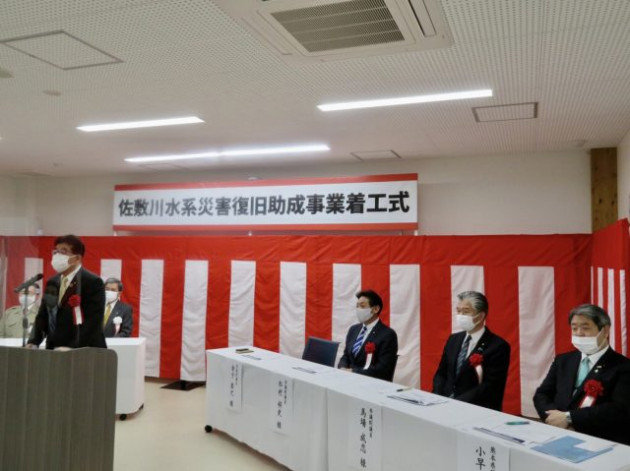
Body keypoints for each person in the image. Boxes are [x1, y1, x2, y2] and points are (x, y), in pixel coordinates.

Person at [533, 304, 630, 445]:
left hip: (600, 440)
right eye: (574, 328)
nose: (578, 333)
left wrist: (569, 418)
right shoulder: (563, 360)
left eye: (585, 328)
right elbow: (542, 394)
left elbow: (618, 409)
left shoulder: (623, 366)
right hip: (557, 433)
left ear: (605, 330)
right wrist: (555, 419)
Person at [432, 291, 510, 411]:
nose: (460, 315)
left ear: (480, 316)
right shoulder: (453, 339)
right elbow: (441, 373)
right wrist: (437, 397)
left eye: (466, 311)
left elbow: (490, 385)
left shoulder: (498, 346)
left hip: (476, 408)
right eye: (458, 311)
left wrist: (456, 404)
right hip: (444, 404)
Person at [27, 235, 106, 350]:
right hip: (54, 349)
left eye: (63, 251)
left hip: (84, 350)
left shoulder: (92, 282)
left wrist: (73, 348)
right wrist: (33, 341)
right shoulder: (52, 282)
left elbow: (93, 322)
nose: (57, 255)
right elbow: (43, 315)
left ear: (77, 258)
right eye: (56, 251)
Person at [338, 289, 398, 381]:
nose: (358, 309)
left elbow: (382, 369)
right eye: (357, 306)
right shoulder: (353, 329)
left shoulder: (388, 335)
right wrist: (342, 368)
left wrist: (353, 372)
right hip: (347, 379)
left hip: (371, 382)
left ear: (376, 309)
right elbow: (346, 356)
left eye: (362, 306)